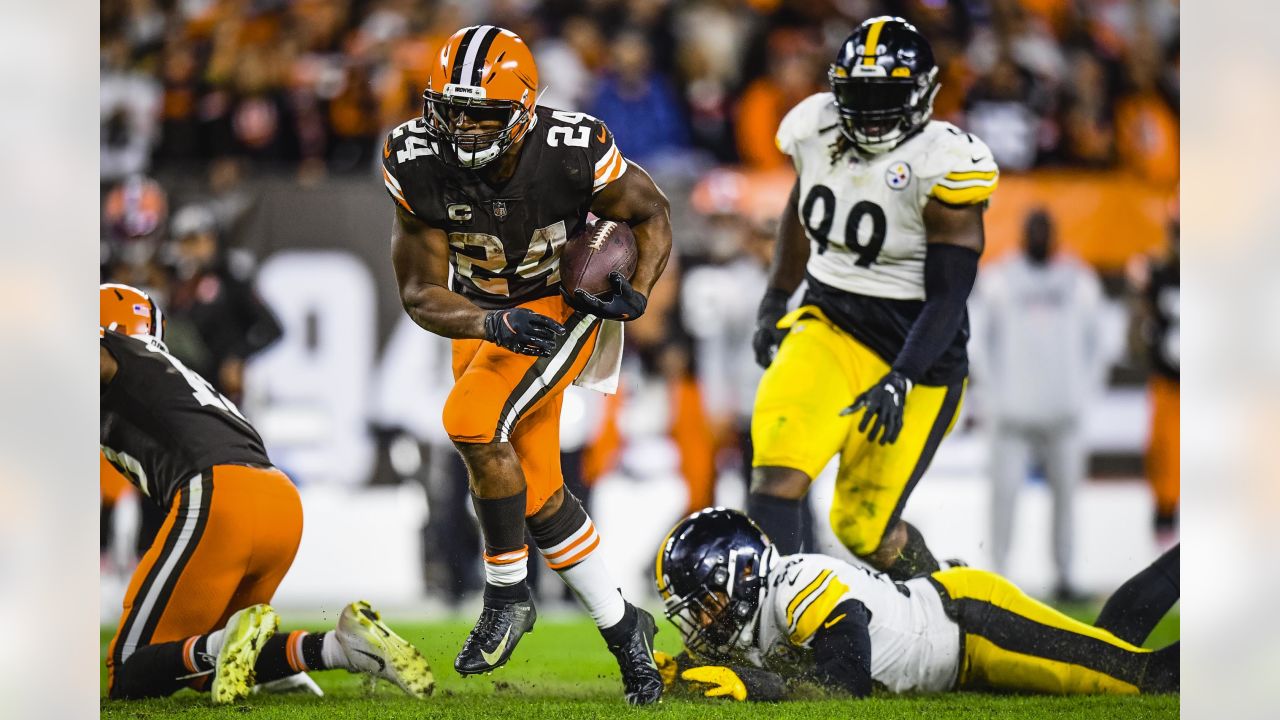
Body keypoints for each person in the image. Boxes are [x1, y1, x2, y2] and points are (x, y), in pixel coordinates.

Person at [383, 25, 669, 705]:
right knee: (537, 492)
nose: (464, 130)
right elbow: (422, 293)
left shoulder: (572, 151)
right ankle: (629, 633)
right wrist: (488, 321)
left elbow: (652, 211)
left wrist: (640, 290)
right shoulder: (414, 158)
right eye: (452, 112)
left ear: (525, 113)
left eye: (482, 115)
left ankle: (508, 593)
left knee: (472, 421)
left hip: (558, 306)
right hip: (479, 315)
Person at [100, 284, 434, 703]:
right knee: (204, 664)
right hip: (279, 500)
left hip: (222, 497)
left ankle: (224, 645)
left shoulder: (116, 351)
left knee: (129, 669)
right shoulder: (172, 373)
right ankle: (339, 647)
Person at [750, 17, 997, 579]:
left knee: (863, 527)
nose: (867, 110)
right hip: (829, 324)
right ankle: (771, 630)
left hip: (917, 353)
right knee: (777, 474)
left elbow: (950, 297)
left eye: (883, 96)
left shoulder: (944, 164)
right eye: (856, 94)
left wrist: (902, 375)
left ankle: (949, 610)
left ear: (922, 95)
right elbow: (800, 205)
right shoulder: (815, 128)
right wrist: (776, 298)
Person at [652, 508, 1179, 702]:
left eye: (704, 603)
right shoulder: (762, 609)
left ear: (741, 575)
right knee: (1115, 641)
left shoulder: (798, 587)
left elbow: (846, 686)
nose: (699, 621)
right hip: (954, 646)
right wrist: (681, 675)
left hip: (974, 626)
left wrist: (760, 686)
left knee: (1142, 677)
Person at [971, 209, 1108, 600]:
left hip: (1063, 413)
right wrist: (994, 398)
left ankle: (1065, 575)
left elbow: (1099, 343)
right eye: (1034, 229)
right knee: (1003, 497)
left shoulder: (1079, 279)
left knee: (1067, 498)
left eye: (1045, 230)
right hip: (1011, 414)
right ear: (1022, 234)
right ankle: (997, 575)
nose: (1040, 236)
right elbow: (980, 343)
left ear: (1056, 235)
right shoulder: (999, 278)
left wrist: (1083, 395)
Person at [163, 203, 284, 402]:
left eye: (203, 239)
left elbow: (273, 328)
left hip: (218, 393)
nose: (197, 248)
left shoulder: (230, 279)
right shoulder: (171, 281)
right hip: (176, 388)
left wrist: (237, 357)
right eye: (189, 241)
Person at [1128, 206, 1180, 545]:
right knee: (1162, 460)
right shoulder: (1157, 274)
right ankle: (1165, 526)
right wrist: (1138, 294)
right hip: (1168, 385)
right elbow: (1134, 339)